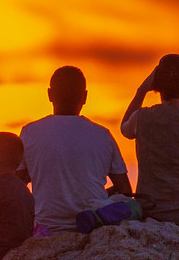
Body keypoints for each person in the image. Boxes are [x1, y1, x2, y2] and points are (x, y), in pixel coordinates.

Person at [19, 66, 132, 233]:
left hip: (46, 228)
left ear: (49, 94)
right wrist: (96, 198)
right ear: (85, 97)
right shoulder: (102, 135)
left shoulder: (29, 133)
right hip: (91, 226)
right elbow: (125, 191)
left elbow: (17, 185)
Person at [120, 54, 179, 240]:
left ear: (156, 84)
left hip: (153, 215)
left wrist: (141, 90)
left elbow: (125, 128)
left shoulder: (142, 118)